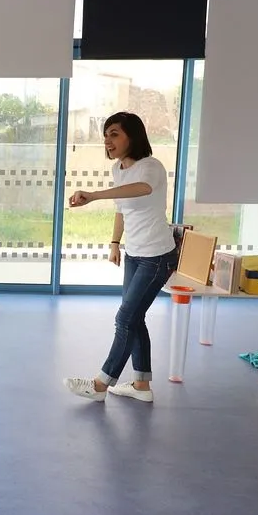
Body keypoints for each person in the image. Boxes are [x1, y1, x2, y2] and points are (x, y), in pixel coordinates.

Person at [63, 111, 179, 404]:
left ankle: (101, 384)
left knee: (125, 318)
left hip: (157, 257)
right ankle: (142, 385)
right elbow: (121, 208)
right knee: (135, 318)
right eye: (106, 134)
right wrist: (115, 242)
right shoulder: (119, 170)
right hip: (134, 254)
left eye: (114, 133)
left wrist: (94, 195)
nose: (107, 140)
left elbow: (142, 189)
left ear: (133, 136)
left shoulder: (150, 166)